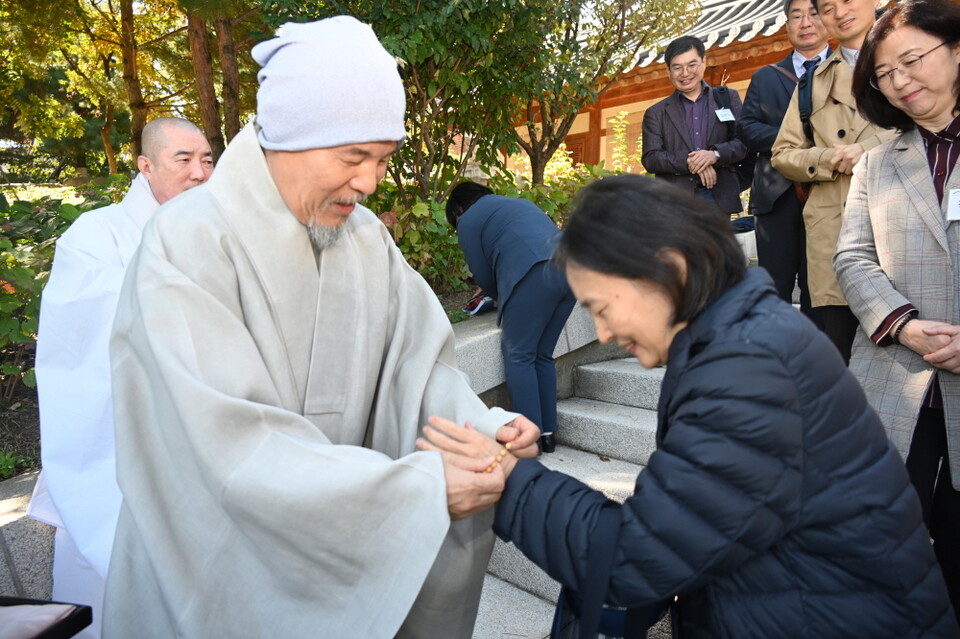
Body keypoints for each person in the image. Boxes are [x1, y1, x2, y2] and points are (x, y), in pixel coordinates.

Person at [101, 17, 539, 639]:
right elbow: (225, 446)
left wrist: (484, 428)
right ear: (283, 138)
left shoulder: (366, 239)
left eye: (383, 158)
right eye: (353, 156)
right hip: (218, 568)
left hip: (340, 534)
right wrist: (412, 494)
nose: (369, 182)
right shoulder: (187, 242)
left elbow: (413, 373)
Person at [419, 174, 958, 638]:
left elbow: (638, 557)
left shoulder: (748, 370)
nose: (603, 332)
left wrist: (509, 481)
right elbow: (684, 524)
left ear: (669, 269)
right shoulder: (730, 339)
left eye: (604, 308)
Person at [27, 117, 213, 639]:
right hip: (119, 443)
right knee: (116, 579)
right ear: (145, 166)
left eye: (207, 160)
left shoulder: (219, 232)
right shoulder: (96, 233)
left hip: (207, 434)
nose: (200, 173)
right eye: (184, 160)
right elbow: (77, 334)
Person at [834, 0, 960, 623]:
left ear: (957, 49)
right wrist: (904, 324)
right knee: (882, 538)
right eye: (885, 73)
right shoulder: (879, 162)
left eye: (912, 60)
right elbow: (852, 258)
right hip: (897, 377)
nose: (901, 80)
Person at [771, 0, 896, 364]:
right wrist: (828, 158)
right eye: (827, 7)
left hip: (898, 217)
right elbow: (783, 154)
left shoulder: (911, 60)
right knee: (839, 350)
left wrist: (867, 149)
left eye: (848, 1)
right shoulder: (813, 80)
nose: (839, 12)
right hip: (833, 225)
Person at [445, 182, 576, 454]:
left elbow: (481, 272)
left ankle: (530, 440)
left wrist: (497, 296)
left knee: (519, 354)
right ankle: (548, 433)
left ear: (458, 209)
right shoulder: (517, 204)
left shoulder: (468, 218)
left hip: (533, 273)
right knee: (542, 355)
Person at [737, 0, 829, 322]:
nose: (805, 22)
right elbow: (745, 127)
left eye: (813, 13)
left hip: (829, 192)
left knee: (820, 285)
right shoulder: (765, 77)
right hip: (776, 194)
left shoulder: (847, 71)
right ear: (787, 25)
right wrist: (793, 140)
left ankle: (818, 361)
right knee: (774, 285)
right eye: (796, 15)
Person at [641, 35, 748, 218]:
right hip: (675, 202)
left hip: (718, 195)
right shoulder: (656, 113)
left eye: (692, 65)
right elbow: (651, 158)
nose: (685, 73)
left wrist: (713, 155)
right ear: (668, 70)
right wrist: (690, 162)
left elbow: (743, 143)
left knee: (715, 247)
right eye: (677, 67)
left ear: (704, 62)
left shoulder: (727, 98)